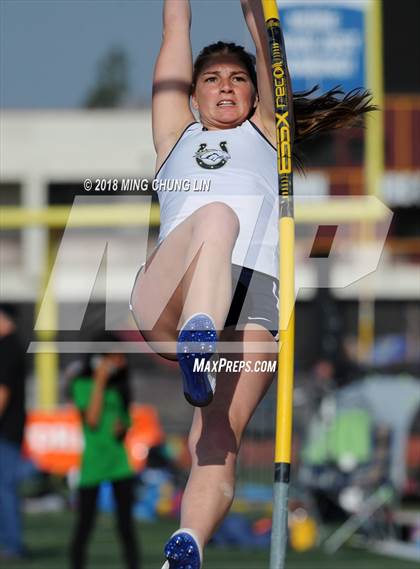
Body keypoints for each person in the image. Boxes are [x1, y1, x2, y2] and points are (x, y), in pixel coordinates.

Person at [130, 1, 375, 567]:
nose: (224, 87)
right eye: (211, 79)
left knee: (219, 437)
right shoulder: (173, 137)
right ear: (191, 96)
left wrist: (254, 9)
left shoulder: (270, 132)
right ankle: (199, 336)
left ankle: (186, 544)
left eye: (239, 79)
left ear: (257, 94)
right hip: (169, 292)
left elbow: (268, 43)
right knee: (218, 218)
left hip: (255, 301)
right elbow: (175, 25)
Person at [69, 334, 141, 569]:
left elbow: (124, 421)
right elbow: (91, 419)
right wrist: (99, 380)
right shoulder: (82, 385)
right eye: (113, 357)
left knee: (126, 526)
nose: (118, 362)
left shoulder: (120, 388)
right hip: (93, 463)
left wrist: (123, 426)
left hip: (119, 463)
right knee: (85, 525)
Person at [0, 304, 27, 561]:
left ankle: (13, 544)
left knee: (4, 488)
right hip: (10, 429)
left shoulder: (7, 348)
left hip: (5, 431)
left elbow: (3, 391)